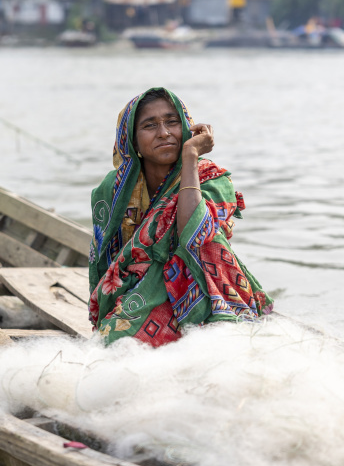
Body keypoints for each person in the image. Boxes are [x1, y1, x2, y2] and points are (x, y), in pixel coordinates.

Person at [88, 87, 273, 347]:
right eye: (150, 125)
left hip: (203, 285)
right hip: (134, 293)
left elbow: (194, 236)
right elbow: (104, 264)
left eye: (172, 122)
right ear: (132, 139)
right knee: (115, 343)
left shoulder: (213, 180)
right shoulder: (112, 190)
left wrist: (190, 157)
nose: (164, 133)